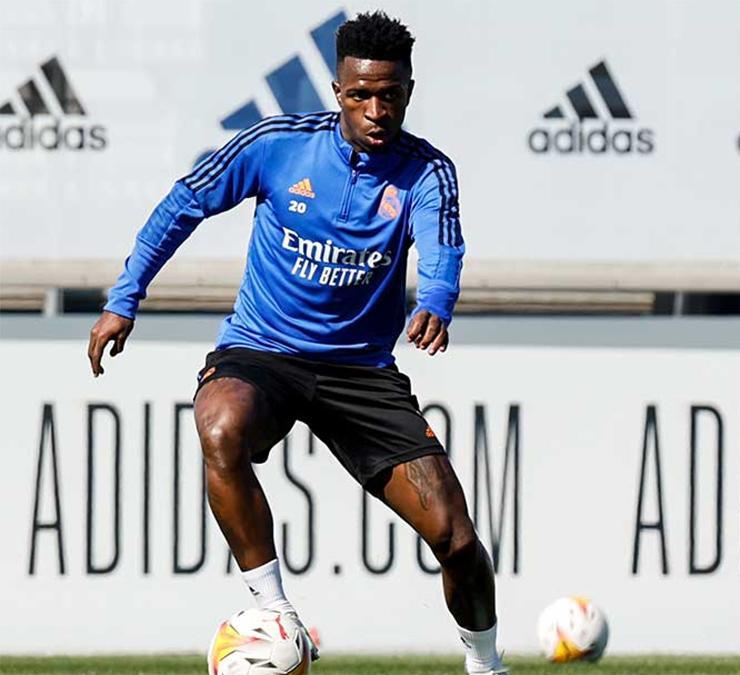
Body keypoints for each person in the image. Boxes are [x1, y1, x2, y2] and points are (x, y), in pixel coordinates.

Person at [86, 11, 507, 675]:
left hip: (361, 373)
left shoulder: (427, 171)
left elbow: (444, 242)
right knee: (220, 428)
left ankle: (485, 664)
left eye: (389, 94)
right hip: (263, 353)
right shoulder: (277, 146)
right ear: (337, 90)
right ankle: (274, 609)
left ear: (408, 91)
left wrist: (436, 299)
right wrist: (123, 299)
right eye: (360, 94)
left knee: (454, 536)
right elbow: (182, 203)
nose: (375, 108)